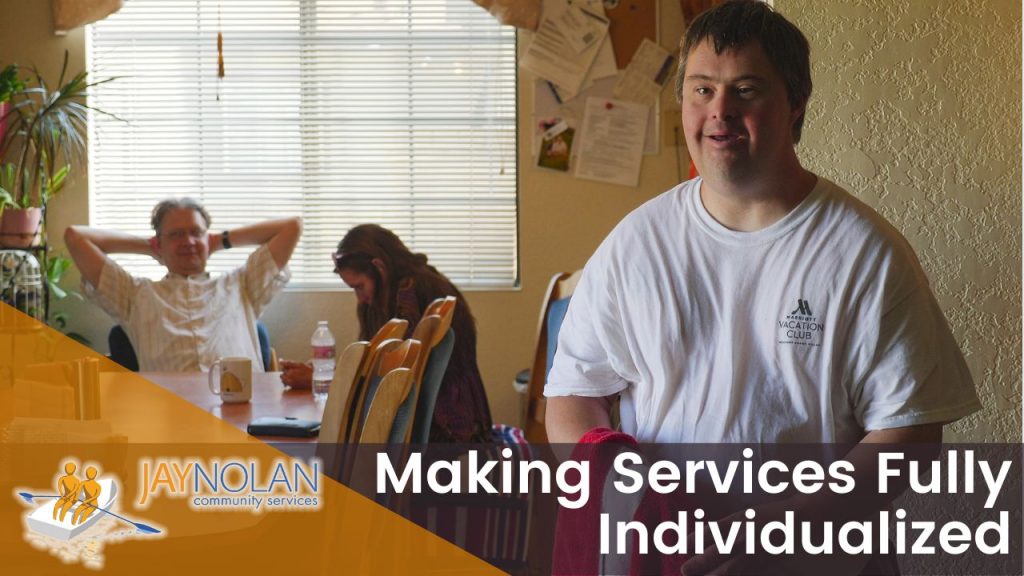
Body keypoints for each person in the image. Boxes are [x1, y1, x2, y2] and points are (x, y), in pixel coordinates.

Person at [544, 2, 981, 572]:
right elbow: (574, 393)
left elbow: (911, 434)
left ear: (795, 103)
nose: (719, 111)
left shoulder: (866, 253)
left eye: (746, 89)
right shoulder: (636, 244)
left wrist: (776, 533)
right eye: (701, 90)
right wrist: (617, 494)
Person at [281, 224, 493, 443]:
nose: (360, 298)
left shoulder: (409, 294)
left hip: (444, 428)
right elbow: (378, 367)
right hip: (456, 419)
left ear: (379, 267)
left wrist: (322, 380)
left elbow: (392, 380)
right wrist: (323, 374)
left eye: (359, 286)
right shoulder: (419, 283)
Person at [65, 198, 301, 372]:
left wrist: (219, 241)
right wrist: (151, 247)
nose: (188, 241)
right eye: (176, 234)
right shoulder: (134, 295)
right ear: (158, 243)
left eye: (196, 233)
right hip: (170, 421)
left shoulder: (243, 284)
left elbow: (292, 226)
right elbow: (75, 237)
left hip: (243, 418)